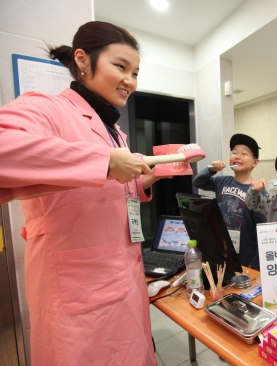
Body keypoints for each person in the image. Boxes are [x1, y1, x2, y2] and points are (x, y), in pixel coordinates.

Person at [0, 21, 162, 365]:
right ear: (82, 60)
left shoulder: (114, 130)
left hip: (124, 278)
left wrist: (148, 177)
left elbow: (106, 193)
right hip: (79, 292)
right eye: (120, 67)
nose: (130, 81)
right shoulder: (48, 107)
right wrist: (104, 162)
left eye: (135, 72)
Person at [193, 133, 267, 268]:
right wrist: (211, 169)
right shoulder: (222, 182)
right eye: (234, 153)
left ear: (255, 162)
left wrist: (255, 263)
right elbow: (198, 182)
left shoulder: (258, 191)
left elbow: (264, 231)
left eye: (244, 154)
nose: (237, 156)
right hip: (221, 252)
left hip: (247, 257)